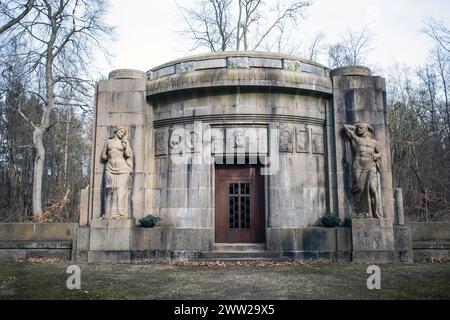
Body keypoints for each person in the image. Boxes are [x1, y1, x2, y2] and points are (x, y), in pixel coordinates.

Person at [344, 123, 383, 218]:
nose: (358, 129)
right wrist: (355, 126)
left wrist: (376, 155)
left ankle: (375, 212)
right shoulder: (356, 139)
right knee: (359, 189)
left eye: (361, 128)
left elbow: (380, 153)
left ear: (366, 129)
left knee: (373, 189)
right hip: (358, 166)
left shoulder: (374, 142)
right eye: (358, 128)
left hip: (370, 166)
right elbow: (346, 127)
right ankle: (362, 212)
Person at [101, 126, 133, 219]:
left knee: (121, 191)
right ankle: (108, 214)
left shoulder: (123, 142)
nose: (122, 133)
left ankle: (121, 214)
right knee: (109, 189)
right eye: (121, 131)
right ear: (116, 131)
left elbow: (127, 154)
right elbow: (103, 155)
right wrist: (109, 158)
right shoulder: (108, 142)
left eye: (124, 133)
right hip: (110, 168)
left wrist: (126, 144)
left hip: (123, 168)